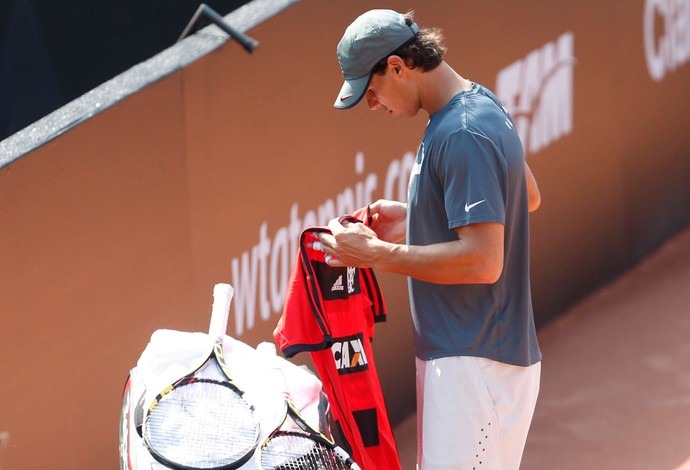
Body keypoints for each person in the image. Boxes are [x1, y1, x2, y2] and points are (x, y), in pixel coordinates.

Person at [317, 9, 542, 470]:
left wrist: (377, 254)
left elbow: (483, 262)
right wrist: (419, 218)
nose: (373, 105)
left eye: (372, 90)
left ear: (398, 66)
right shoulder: (476, 107)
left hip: (475, 364)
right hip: (475, 359)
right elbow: (527, 195)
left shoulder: (461, 132)